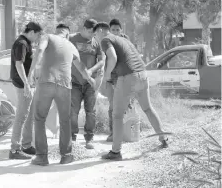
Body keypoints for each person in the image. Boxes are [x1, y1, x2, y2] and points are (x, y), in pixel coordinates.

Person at [93, 22, 168, 161]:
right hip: (142, 75)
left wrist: (107, 75)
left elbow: (113, 58)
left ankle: (116, 152)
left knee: (117, 115)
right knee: (147, 108)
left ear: (101, 30)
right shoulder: (123, 39)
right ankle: (164, 138)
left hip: (128, 77)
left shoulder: (106, 39)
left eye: (95, 34)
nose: (95, 38)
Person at [27, 24, 98, 166]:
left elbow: (40, 50)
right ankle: (66, 156)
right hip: (65, 86)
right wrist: (90, 80)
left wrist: (31, 73)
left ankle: (42, 157)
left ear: (57, 32)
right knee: (65, 120)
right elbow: (81, 68)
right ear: (67, 34)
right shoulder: (71, 46)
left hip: (46, 83)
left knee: (40, 118)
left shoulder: (48, 37)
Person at [69, 19, 105, 149]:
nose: (92, 35)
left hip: (91, 83)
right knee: (73, 111)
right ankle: (72, 138)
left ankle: (89, 138)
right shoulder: (71, 39)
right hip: (74, 82)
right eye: (90, 32)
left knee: (91, 112)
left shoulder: (96, 43)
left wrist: (90, 71)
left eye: (94, 33)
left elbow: (101, 61)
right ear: (83, 28)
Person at [9, 21, 43, 160]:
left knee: (29, 115)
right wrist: (26, 85)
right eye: (38, 35)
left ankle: (27, 146)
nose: (38, 38)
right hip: (22, 84)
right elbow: (19, 64)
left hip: (27, 83)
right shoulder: (21, 43)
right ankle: (15, 149)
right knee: (21, 116)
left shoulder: (26, 43)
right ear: (32, 32)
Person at [105, 19, 132, 142]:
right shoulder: (106, 41)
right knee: (112, 106)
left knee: (127, 104)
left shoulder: (125, 40)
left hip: (125, 77)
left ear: (121, 30)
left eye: (117, 29)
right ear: (109, 30)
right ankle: (113, 133)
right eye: (113, 30)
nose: (115, 32)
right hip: (111, 78)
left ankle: (128, 131)